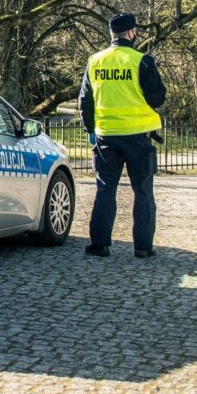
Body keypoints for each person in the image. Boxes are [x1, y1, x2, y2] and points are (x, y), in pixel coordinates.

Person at [78, 13, 166, 258]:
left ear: (111, 34)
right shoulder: (142, 61)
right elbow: (157, 98)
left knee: (105, 188)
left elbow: (85, 100)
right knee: (143, 190)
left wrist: (90, 130)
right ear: (131, 32)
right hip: (138, 136)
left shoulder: (95, 61)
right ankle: (143, 247)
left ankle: (99, 244)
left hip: (106, 136)